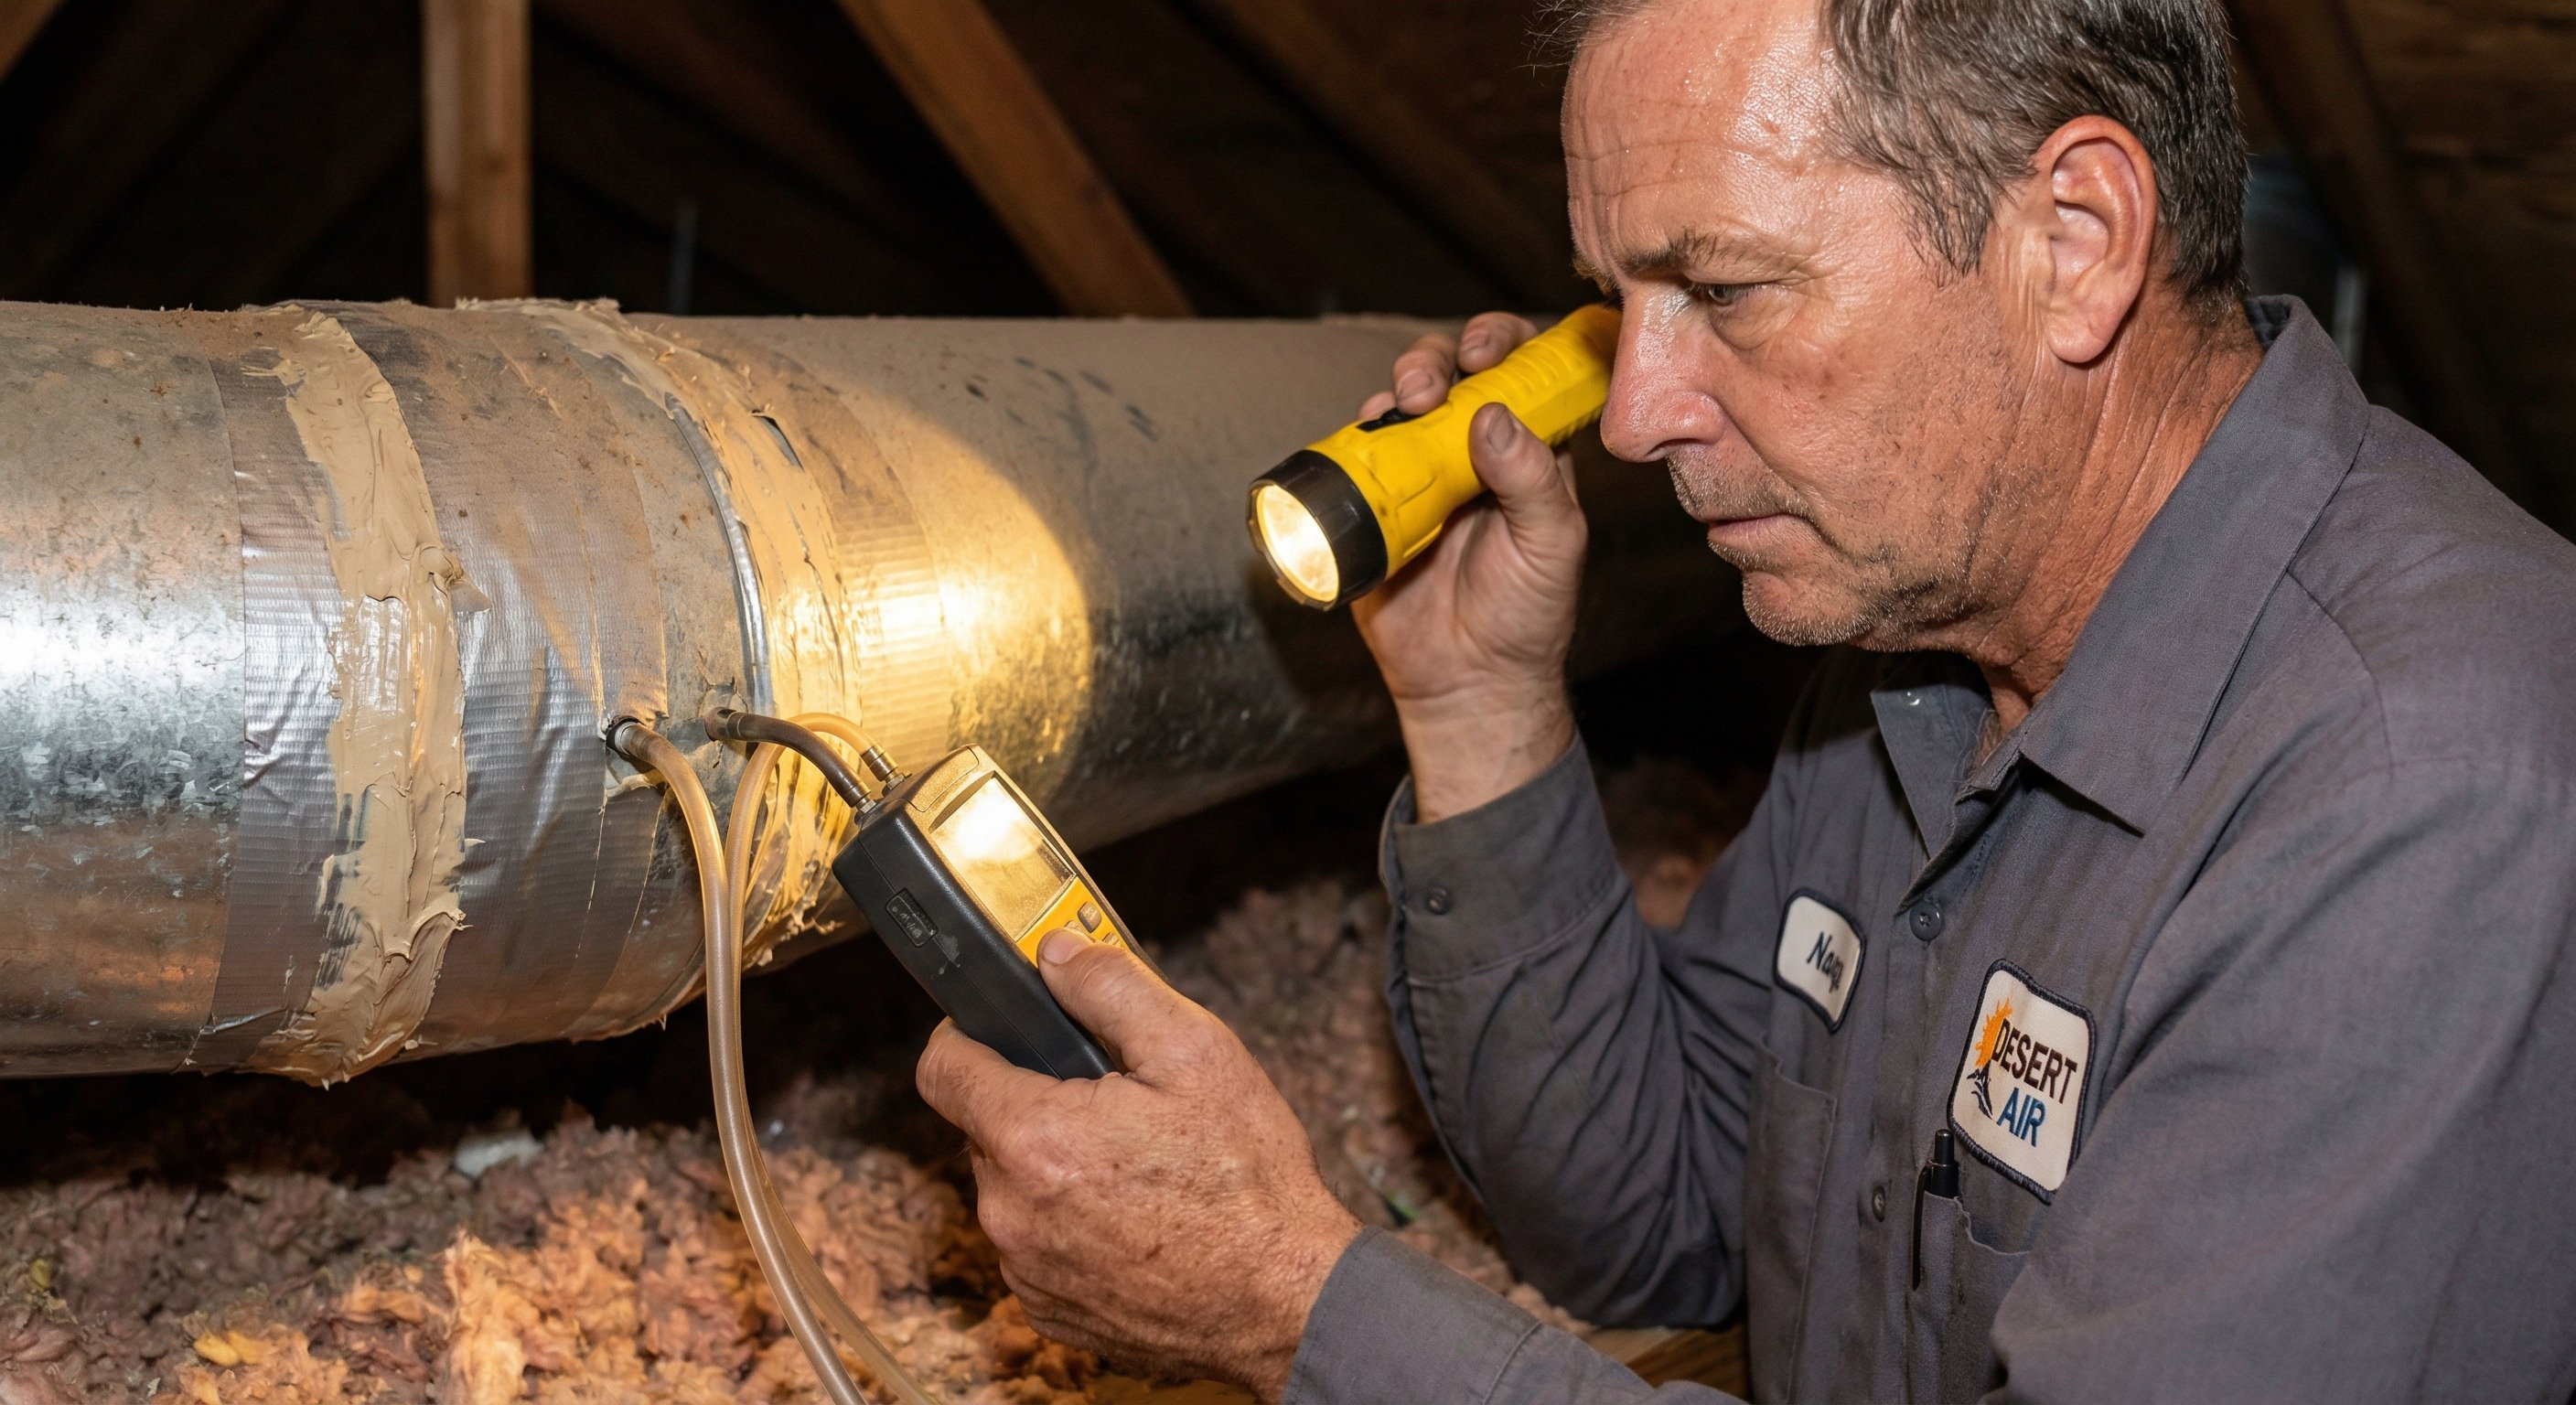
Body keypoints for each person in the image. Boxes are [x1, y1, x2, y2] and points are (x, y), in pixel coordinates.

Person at [914, 0, 2576, 1398]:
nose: (1634, 418)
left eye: (1723, 292)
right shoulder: (1911, 655)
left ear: (2073, 245)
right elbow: (1661, 1211)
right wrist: (1483, 703)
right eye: (1617, 303)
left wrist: (1301, 1307)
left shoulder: (2418, 781)